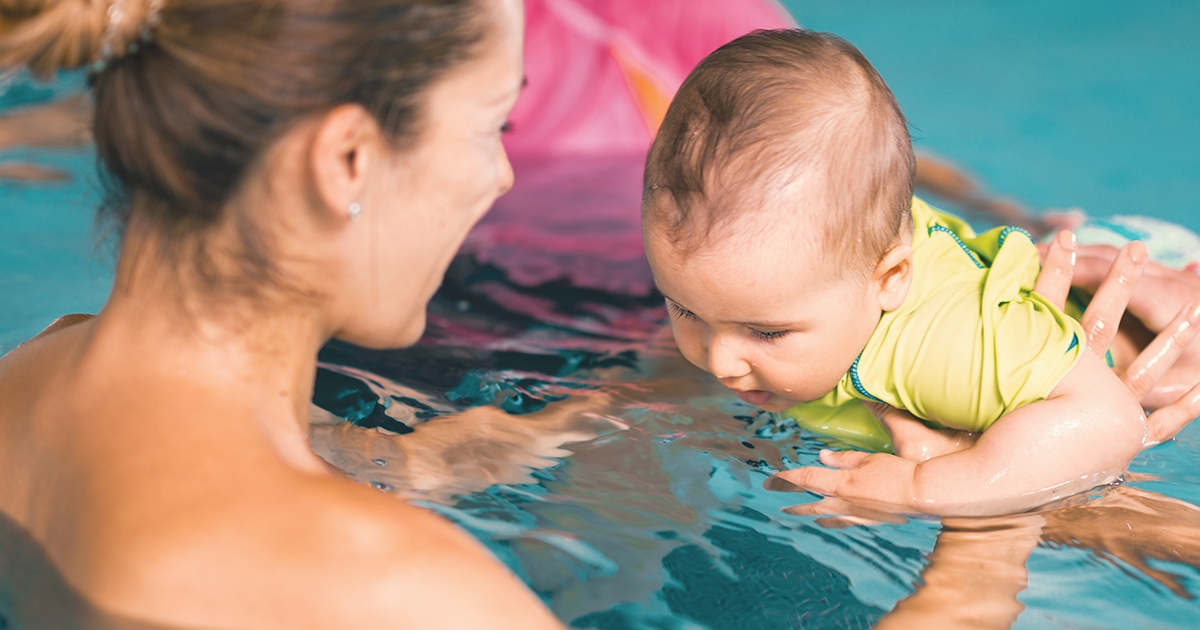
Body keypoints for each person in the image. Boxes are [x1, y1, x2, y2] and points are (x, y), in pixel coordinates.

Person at [0, 0, 567, 627]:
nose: (502, 177)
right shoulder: (402, 588)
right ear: (347, 158)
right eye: (493, 128)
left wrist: (408, 460)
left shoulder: (21, 383)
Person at [641, 29, 1200, 516]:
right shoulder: (815, 266)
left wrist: (926, 488)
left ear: (889, 280)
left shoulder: (942, 351)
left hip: (1165, 306)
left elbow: (1111, 423)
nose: (718, 361)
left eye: (765, 332)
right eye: (686, 309)